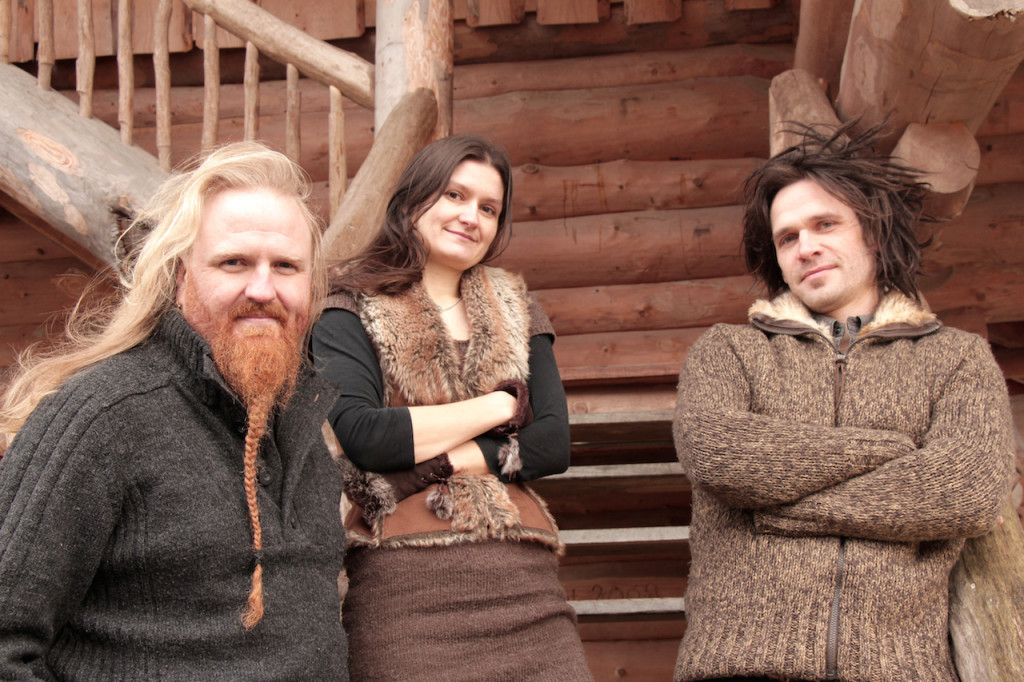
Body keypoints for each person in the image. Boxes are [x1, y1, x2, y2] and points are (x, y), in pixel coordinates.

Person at [672, 124, 1015, 682]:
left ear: (873, 234)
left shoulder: (957, 358)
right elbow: (719, 454)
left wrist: (774, 509)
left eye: (825, 224)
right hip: (740, 666)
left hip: (901, 670)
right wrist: (898, 451)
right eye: (787, 238)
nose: (805, 247)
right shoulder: (728, 350)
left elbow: (966, 491)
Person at [0, 142, 349, 680]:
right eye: (234, 262)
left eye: (285, 266)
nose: (263, 289)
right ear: (181, 276)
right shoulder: (102, 415)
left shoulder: (300, 420)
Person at [312, 134, 592, 680]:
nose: (471, 217)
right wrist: (502, 405)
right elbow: (366, 436)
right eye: (455, 195)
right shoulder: (347, 307)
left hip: (526, 586)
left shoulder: (518, 308)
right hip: (407, 595)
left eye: (488, 208)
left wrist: (439, 461)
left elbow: (552, 444)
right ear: (413, 199)